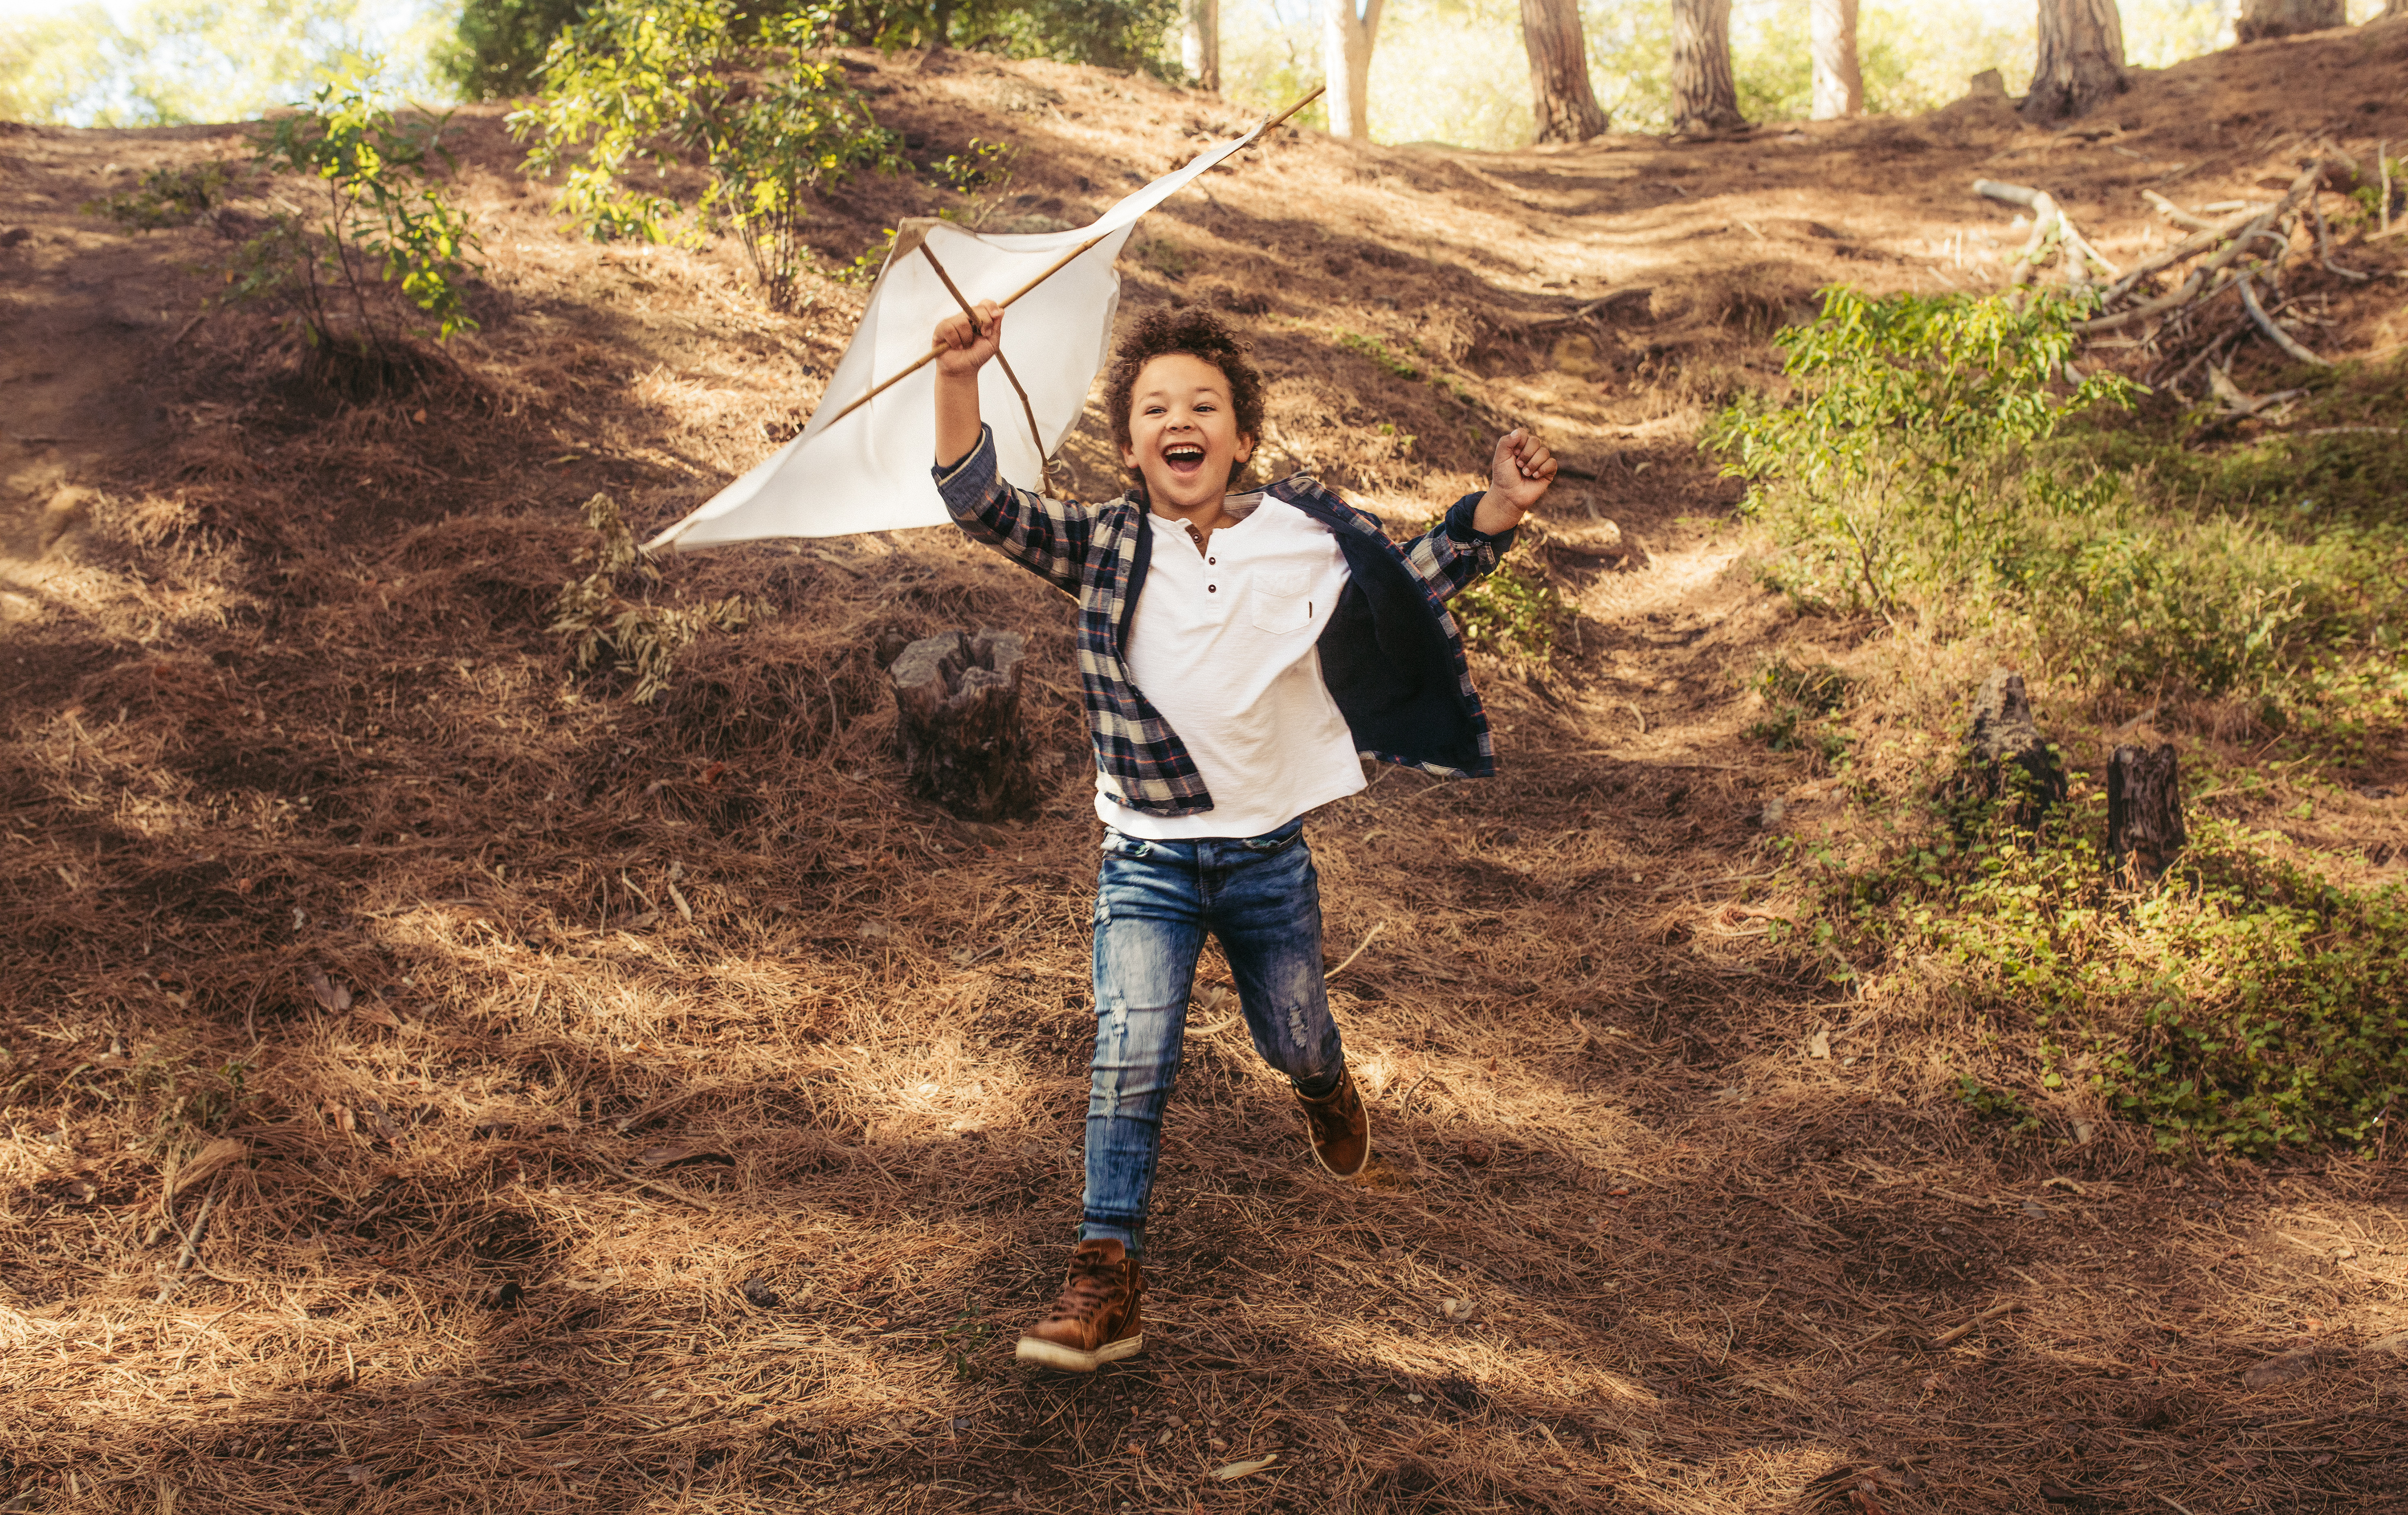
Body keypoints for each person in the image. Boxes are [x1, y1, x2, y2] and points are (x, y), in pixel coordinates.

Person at [929, 299, 1555, 1372]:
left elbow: (1412, 583)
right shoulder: (1101, 544)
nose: (1181, 420)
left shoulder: (1298, 537)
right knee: (1130, 1052)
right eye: (1155, 408)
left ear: (1241, 437)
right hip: (1146, 860)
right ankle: (1104, 1270)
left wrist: (1496, 504)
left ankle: (1324, 1085)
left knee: (1296, 1029)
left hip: (1267, 857)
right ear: (1128, 446)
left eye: (1203, 404)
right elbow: (981, 501)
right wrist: (958, 378)